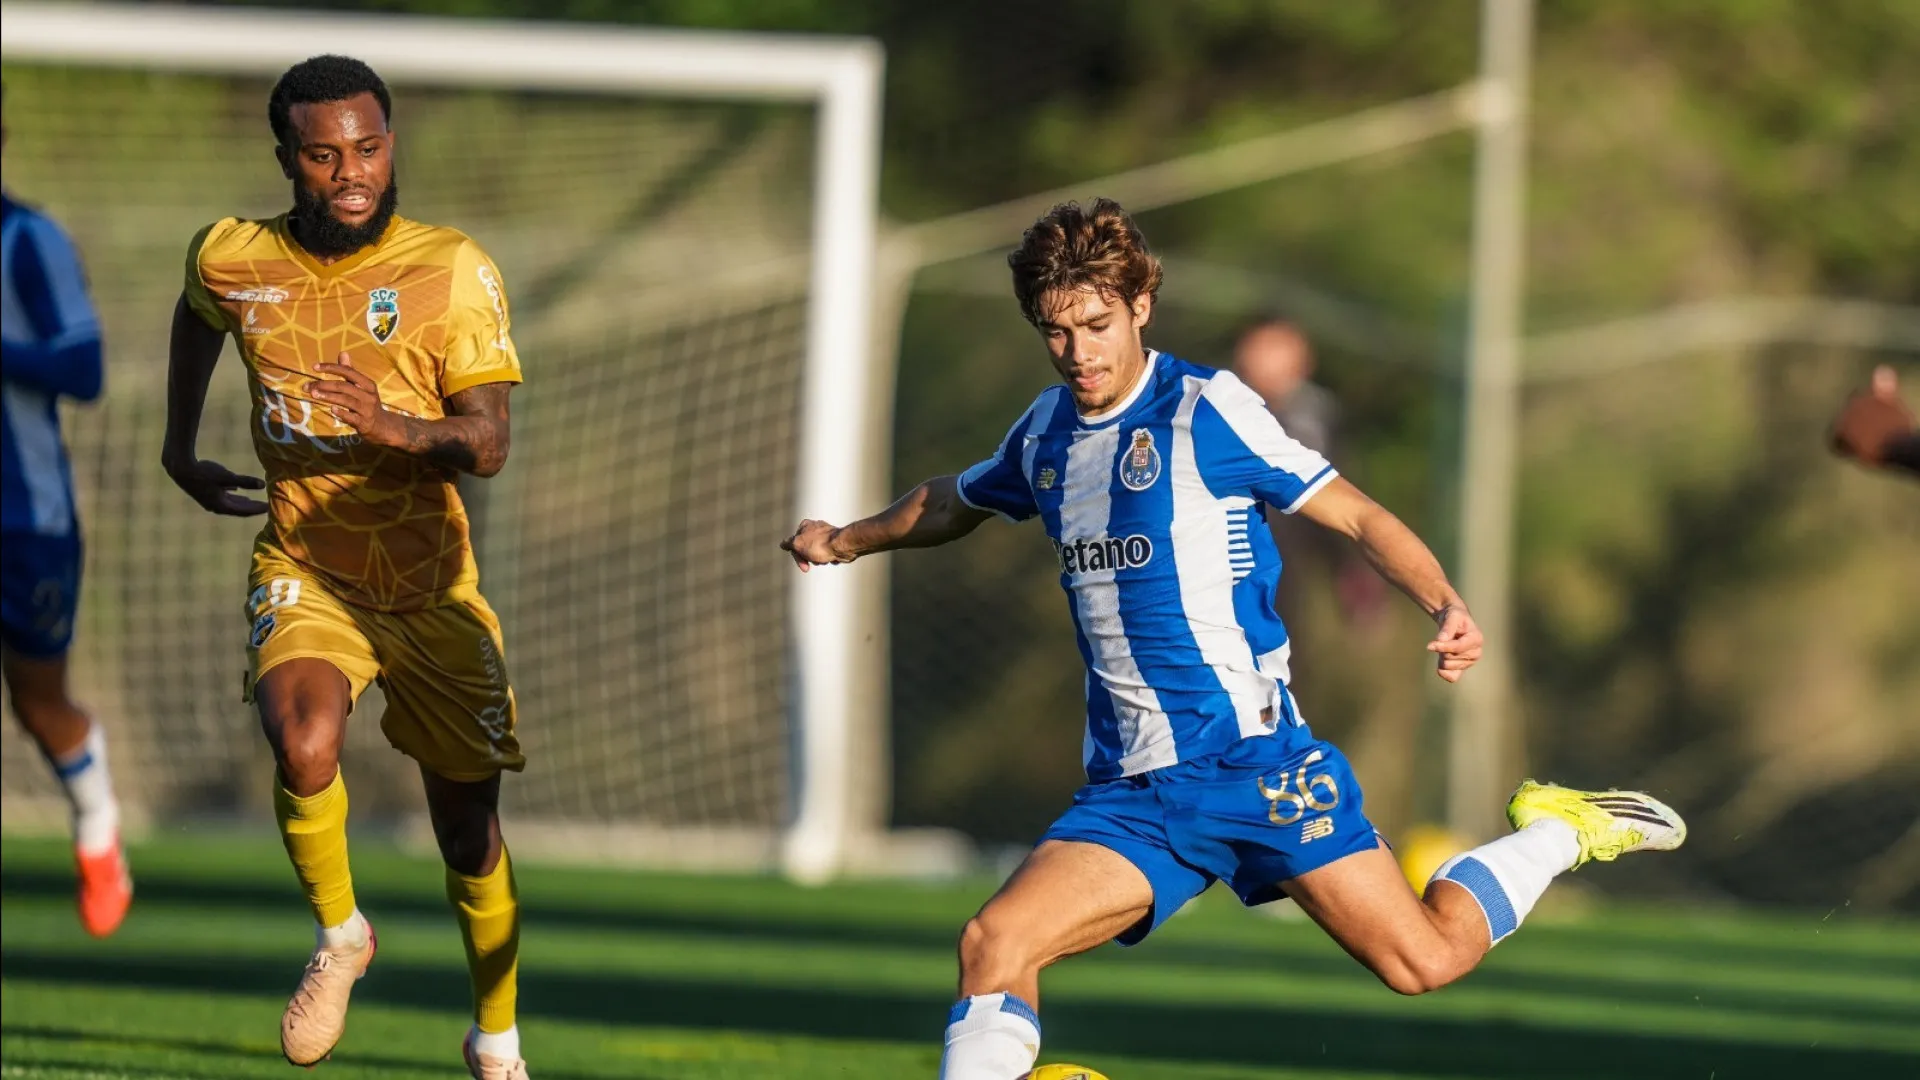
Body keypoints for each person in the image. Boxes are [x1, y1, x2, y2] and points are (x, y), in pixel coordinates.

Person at [782, 199, 1687, 1080]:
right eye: (1056, 332)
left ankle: (1559, 832)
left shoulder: (1208, 411)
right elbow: (954, 501)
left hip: (1256, 767)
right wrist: (849, 538)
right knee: (993, 941)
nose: (1078, 352)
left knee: (1424, 962)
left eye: (1097, 325)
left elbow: (1358, 515)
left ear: (1140, 306)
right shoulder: (1046, 433)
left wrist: (1444, 602)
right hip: (1135, 793)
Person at [162, 56, 529, 1080]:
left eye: (368, 149)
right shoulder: (232, 255)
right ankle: (340, 935)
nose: (351, 172)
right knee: (303, 740)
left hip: (432, 587)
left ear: (391, 144)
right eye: (324, 156)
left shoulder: (451, 268)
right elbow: (198, 316)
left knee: (467, 832)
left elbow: (489, 442)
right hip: (308, 562)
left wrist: (396, 427)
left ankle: (496, 1035)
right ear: (288, 159)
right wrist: (179, 447)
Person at [2, 89, 133, 940]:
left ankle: (95, 820)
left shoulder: (28, 240)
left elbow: (84, 369)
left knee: (38, 702)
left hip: (25, 517)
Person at [1830, 364, 1919, 477]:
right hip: (1887, 449)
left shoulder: (1898, 407)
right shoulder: (1862, 407)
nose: (1887, 385)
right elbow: (1843, 436)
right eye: (1884, 381)